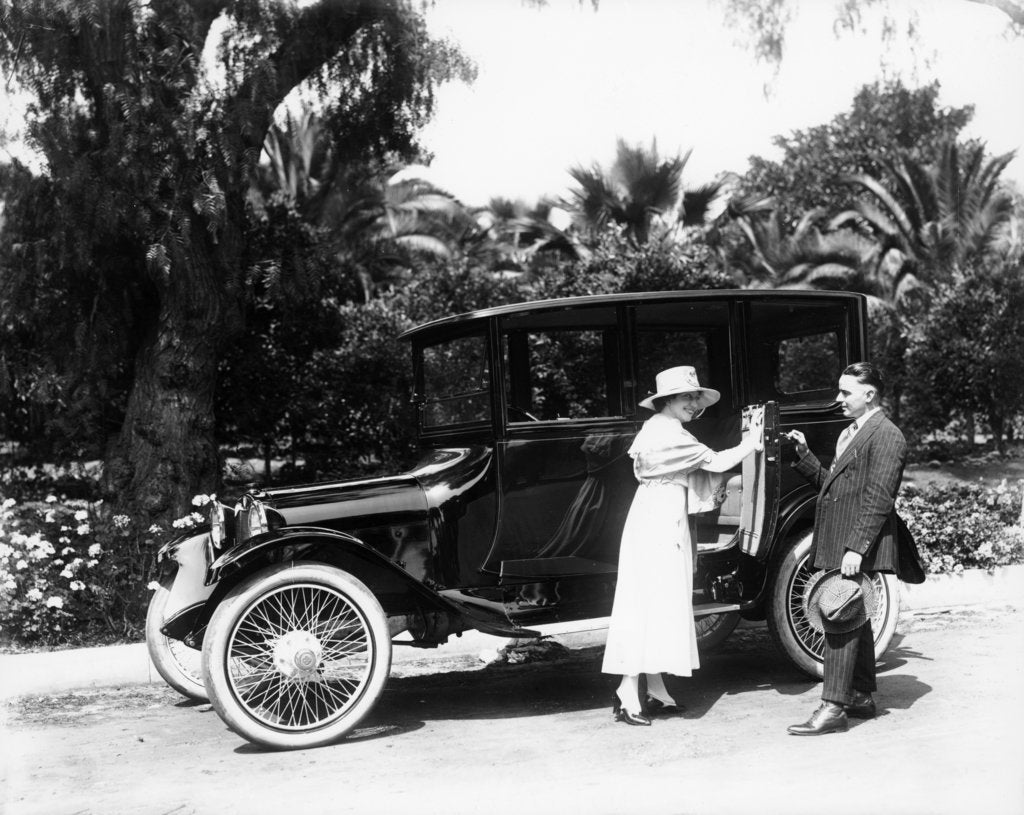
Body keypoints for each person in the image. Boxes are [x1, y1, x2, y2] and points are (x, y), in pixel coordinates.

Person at [602, 365, 761, 726]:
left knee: (659, 599)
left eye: (695, 397)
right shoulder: (669, 435)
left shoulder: (659, 429)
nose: (694, 404)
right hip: (659, 519)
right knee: (652, 600)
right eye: (687, 397)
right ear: (668, 400)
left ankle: (656, 689)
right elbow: (718, 461)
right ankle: (629, 691)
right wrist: (753, 442)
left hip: (657, 514)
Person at [784, 361, 907, 736]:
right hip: (843, 537)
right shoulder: (853, 432)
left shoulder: (887, 435)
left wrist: (856, 548)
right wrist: (805, 457)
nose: (838, 399)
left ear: (869, 395)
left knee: (838, 611)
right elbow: (836, 487)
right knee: (855, 613)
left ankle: (833, 707)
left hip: (856, 541)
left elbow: (878, 498)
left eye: (845, 392)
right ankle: (860, 696)